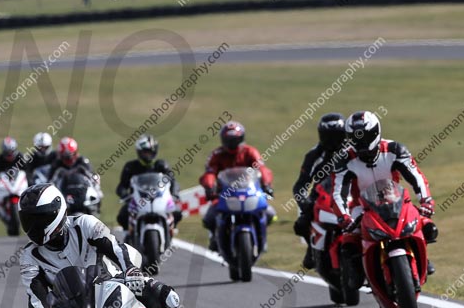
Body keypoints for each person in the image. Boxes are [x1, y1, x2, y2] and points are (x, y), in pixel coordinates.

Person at [18, 184, 202, 308]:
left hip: (113, 284)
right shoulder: (29, 256)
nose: (33, 227)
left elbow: (115, 248)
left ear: (57, 211)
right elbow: (35, 295)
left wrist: (131, 270)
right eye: (28, 220)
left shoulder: (84, 224)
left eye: (39, 219)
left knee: (164, 296)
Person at [333, 111, 438, 274]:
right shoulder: (344, 159)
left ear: (375, 133)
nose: (361, 143)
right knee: (349, 241)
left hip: (396, 201)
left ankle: (421, 256)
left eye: (364, 137)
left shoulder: (395, 149)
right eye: (355, 138)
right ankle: (357, 271)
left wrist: (426, 200)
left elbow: (416, 176)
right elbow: (338, 191)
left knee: (427, 225)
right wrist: (343, 216)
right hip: (361, 207)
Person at [199, 121, 276, 251]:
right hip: (225, 194)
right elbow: (210, 173)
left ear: (241, 138)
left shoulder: (250, 152)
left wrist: (266, 184)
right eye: (228, 140)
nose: (231, 143)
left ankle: (262, 237)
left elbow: (262, 169)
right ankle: (215, 238)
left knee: (270, 214)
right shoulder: (216, 154)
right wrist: (209, 186)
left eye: (235, 140)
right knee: (209, 218)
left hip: (249, 191)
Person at [292, 113, 348, 269]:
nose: (332, 141)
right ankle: (312, 249)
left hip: (351, 193)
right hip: (322, 196)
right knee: (301, 224)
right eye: (328, 136)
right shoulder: (313, 155)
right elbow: (300, 185)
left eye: (336, 136)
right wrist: (304, 202)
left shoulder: (354, 151)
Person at [115, 134, 182, 233]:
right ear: (139, 152)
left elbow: (173, 182)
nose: (148, 155)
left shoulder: (162, 165)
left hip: (159, 199)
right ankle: (128, 237)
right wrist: (126, 196)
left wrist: (174, 195)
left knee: (177, 211)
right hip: (138, 201)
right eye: (145, 152)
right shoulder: (131, 167)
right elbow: (121, 186)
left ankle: (171, 230)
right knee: (122, 216)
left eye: (150, 152)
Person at [0, 137, 25, 218]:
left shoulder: (20, 157)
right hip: (5, 183)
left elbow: (27, 171)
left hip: (19, 183)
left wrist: (29, 179)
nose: (9, 155)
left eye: (11, 152)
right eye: (7, 153)